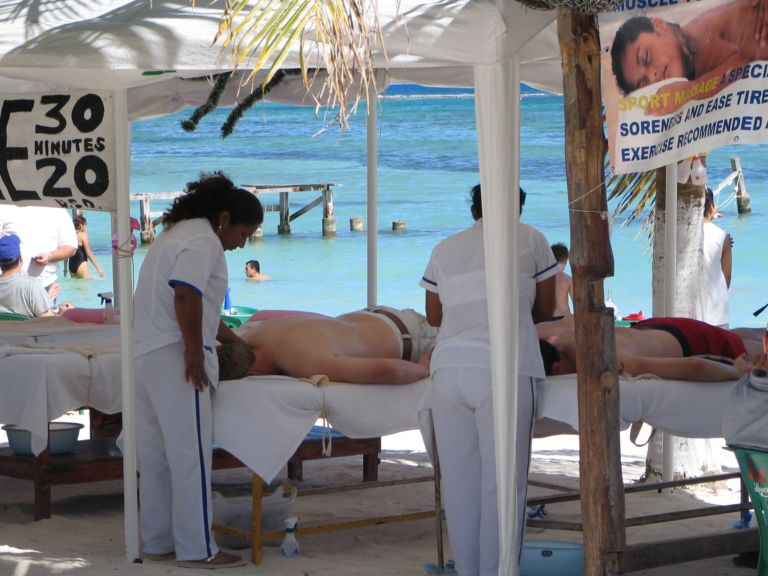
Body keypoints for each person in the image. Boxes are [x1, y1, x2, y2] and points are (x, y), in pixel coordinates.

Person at [419, 184, 557, 576]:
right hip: (503, 369)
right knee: (503, 487)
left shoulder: (444, 248)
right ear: (517, 208)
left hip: (447, 372)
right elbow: (545, 308)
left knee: (460, 486)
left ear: (474, 210)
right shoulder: (531, 238)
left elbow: (433, 316)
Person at [133, 171, 263, 569]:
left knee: (155, 454)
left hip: (145, 349)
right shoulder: (203, 241)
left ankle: (158, 541)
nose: (243, 244)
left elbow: (199, 305)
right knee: (190, 455)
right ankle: (197, 549)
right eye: (244, 233)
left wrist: (232, 338)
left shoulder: (178, 232)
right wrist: (193, 352)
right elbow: (185, 294)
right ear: (225, 218)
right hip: (174, 352)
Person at [610, 0, 768, 115]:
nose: (653, 76)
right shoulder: (693, 78)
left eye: (646, 57)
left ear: (659, 25)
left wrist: (690, 92)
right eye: (644, 83)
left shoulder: (708, 27)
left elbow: (751, 57)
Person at [216, 306, 438, 384]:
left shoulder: (304, 362)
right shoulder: (253, 333)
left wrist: (423, 369)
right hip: (374, 315)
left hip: (415, 335)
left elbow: (390, 371)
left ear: (252, 373)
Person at [539, 316, 765, 381]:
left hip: (691, 343)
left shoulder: (603, 358)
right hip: (651, 327)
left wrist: (737, 372)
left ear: (558, 369)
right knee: (738, 335)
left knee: (749, 348)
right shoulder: (556, 335)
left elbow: (694, 366)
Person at [0, 205, 76, 298]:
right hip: (8, 285)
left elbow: (71, 247)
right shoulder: (5, 206)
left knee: (46, 313)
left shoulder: (58, 211)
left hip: (44, 284)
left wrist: (50, 256)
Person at [0, 234, 55, 317]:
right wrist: (47, 301)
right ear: (20, 259)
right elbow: (48, 321)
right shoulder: (32, 286)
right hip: (24, 330)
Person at [702, 188, 732, 328]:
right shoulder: (722, 237)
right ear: (712, 206)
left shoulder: (682, 234)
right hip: (717, 313)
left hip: (689, 312)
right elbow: (727, 276)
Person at [67, 214, 105, 279]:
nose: (86, 227)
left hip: (71, 267)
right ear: (81, 225)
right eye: (85, 225)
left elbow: (67, 252)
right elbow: (89, 253)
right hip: (81, 265)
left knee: (76, 288)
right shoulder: (83, 235)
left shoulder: (70, 236)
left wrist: (65, 268)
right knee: (86, 288)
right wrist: (98, 267)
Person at [551, 242, 573, 319]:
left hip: (544, 320)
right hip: (563, 319)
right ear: (565, 260)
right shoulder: (568, 279)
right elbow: (578, 304)